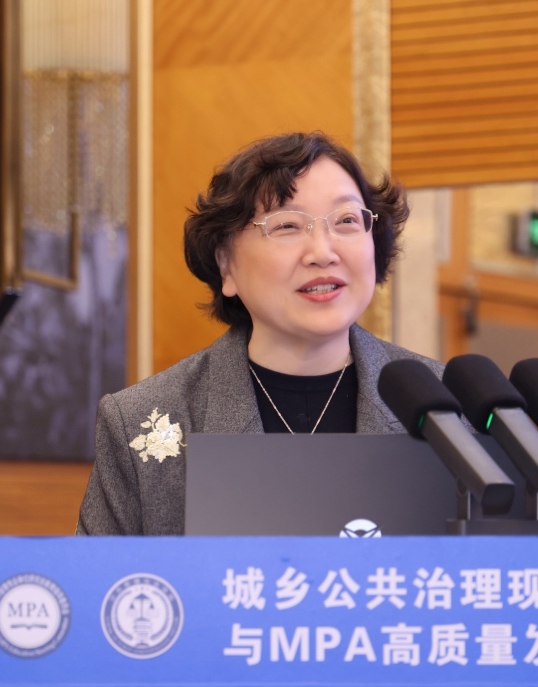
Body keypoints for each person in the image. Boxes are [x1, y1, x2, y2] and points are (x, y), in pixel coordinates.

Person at [77, 131, 442, 535]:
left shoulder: (449, 409)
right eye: (287, 225)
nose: (323, 253)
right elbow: (102, 575)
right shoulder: (140, 421)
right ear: (226, 265)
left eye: (346, 221)